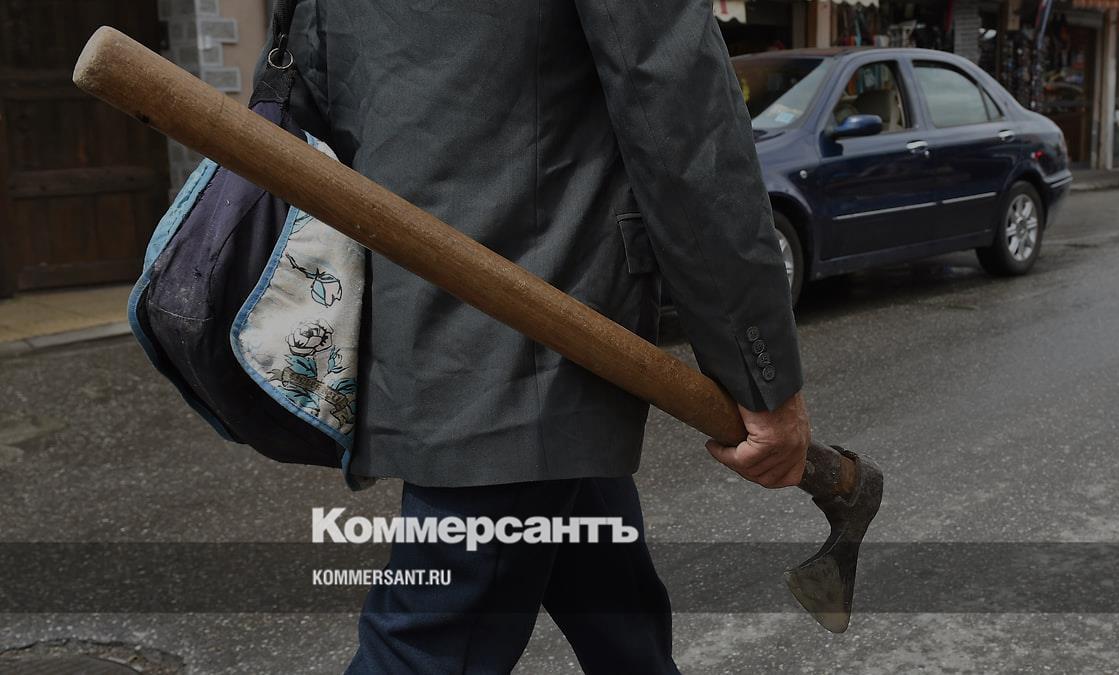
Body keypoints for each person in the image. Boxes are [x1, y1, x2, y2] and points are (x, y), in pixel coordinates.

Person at [263, 1, 811, 671]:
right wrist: (762, 380)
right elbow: (684, 117)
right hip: (530, 342)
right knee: (422, 651)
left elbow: (315, 86)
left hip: (445, 330)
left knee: (622, 622)